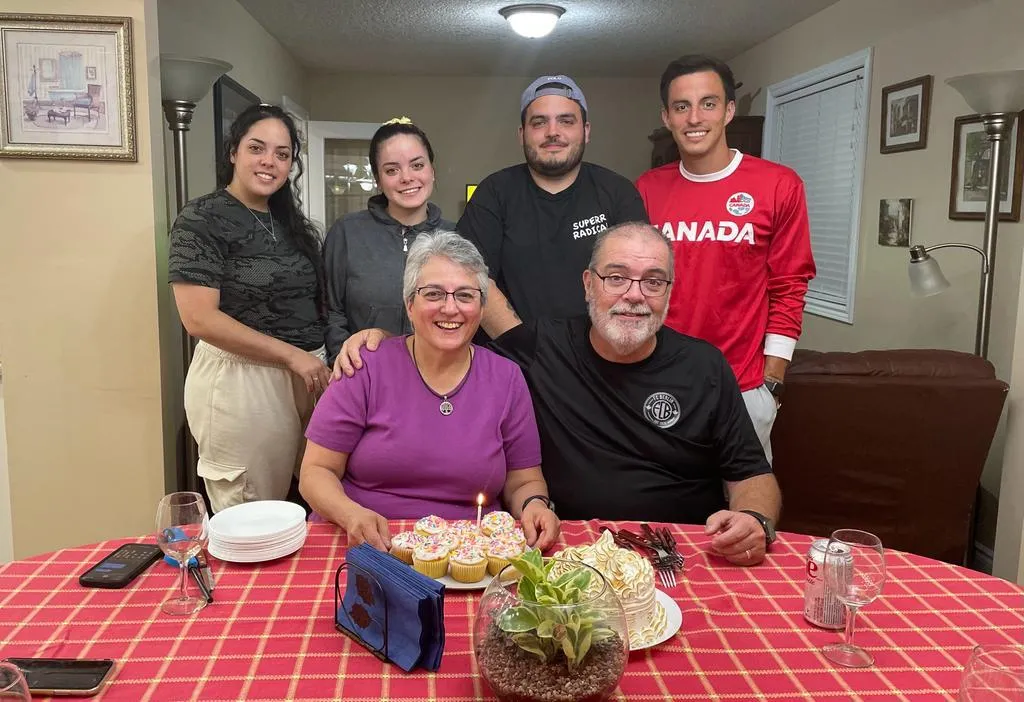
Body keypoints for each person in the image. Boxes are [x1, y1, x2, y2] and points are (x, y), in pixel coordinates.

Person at [337, 223, 780, 567]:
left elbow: (753, 476)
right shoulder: (537, 347)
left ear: (668, 292)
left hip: (680, 551)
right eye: (617, 277)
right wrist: (380, 338)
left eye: (653, 281)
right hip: (573, 550)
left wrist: (754, 521)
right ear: (589, 283)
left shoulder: (704, 366)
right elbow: (449, 331)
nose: (633, 296)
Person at [300, 231, 560, 552]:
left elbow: (524, 481)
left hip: (470, 551)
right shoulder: (364, 365)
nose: (450, 308)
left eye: (465, 295)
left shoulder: (507, 378)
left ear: (480, 307)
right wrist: (351, 514)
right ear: (409, 305)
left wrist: (535, 504)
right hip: (362, 540)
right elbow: (315, 471)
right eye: (434, 294)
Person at [635, 55, 816, 462]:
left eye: (709, 103)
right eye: (681, 106)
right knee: (659, 517)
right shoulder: (647, 189)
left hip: (744, 386)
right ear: (667, 116)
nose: (694, 117)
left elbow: (790, 285)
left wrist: (772, 382)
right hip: (660, 382)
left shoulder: (778, 185)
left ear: (730, 110)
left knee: (743, 518)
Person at [169, 103, 330, 513]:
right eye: (257, 148)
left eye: (282, 154)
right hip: (243, 381)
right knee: (252, 511)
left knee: (314, 502)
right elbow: (199, 318)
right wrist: (291, 356)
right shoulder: (201, 219)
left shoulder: (289, 223)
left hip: (307, 375)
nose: (269, 162)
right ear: (233, 152)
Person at [458, 74, 649, 336]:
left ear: (586, 130)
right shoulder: (493, 193)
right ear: (522, 134)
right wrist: (529, 353)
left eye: (566, 121)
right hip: (514, 359)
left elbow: (635, 282)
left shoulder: (618, 193)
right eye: (539, 122)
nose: (553, 132)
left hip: (602, 360)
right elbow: (472, 277)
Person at [324, 118, 454, 371]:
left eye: (417, 165)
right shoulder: (347, 232)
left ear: (432, 169)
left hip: (439, 376)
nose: (407, 177)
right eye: (392, 170)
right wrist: (345, 364)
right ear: (377, 179)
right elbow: (331, 312)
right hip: (365, 375)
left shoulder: (456, 236)